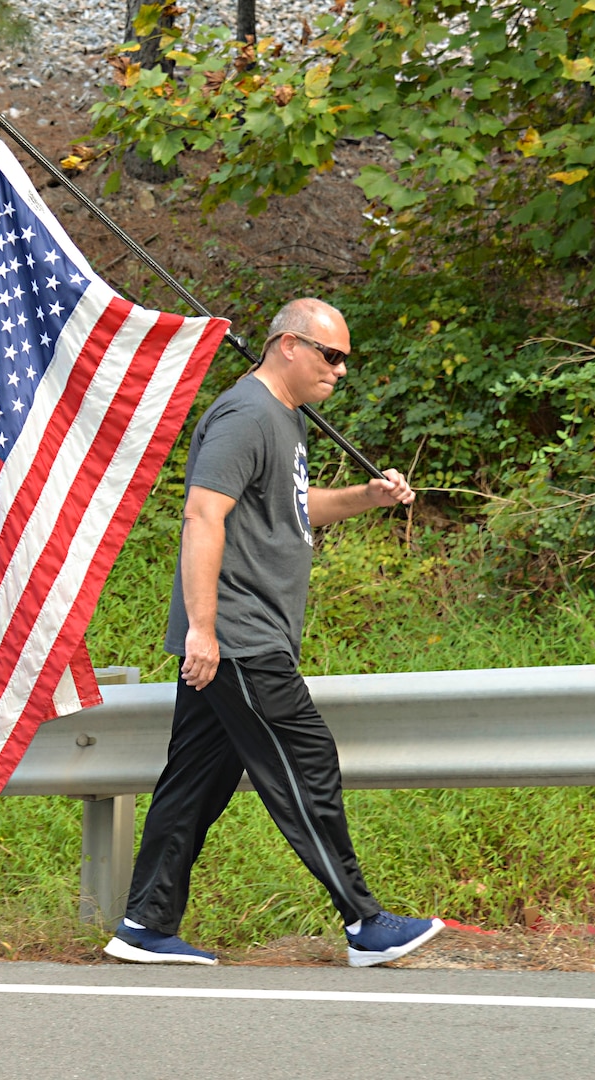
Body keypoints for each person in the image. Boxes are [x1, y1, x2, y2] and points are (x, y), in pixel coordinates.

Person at [103, 299, 444, 968]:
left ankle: (144, 924)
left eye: (344, 359)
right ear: (288, 346)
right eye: (331, 356)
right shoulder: (244, 415)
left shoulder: (280, 421)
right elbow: (203, 515)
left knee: (194, 782)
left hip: (241, 633)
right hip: (239, 635)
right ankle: (364, 923)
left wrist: (364, 498)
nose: (340, 371)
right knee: (306, 759)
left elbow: (291, 506)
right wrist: (203, 629)